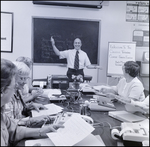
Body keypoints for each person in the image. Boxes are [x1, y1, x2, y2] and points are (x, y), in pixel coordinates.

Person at [1, 58, 63, 146]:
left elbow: (14, 130)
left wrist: (42, 131)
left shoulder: (1, 112)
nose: (16, 88)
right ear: (2, 90)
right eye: (13, 86)